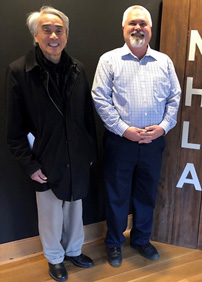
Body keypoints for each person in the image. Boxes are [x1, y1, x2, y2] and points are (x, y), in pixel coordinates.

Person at [6, 6, 98, 282]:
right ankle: (55, 259)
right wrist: (29, 165)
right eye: (47, 30)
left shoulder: (78, 68)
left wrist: (90, 153)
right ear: (36, 35)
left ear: (66, 36)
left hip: (77, 156)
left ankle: (73, 250)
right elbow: (14, 128)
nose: (53, 35)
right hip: (45, 159)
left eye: (59, 30)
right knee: (50, 216)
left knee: (74, 209)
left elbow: (86, 117)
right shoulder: (19, 71)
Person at [92, 5, 181, 267]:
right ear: (123, 28)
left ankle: (141, 239)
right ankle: (114, 243)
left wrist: (163, 127)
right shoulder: (109, 60)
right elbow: (99, 98)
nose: (138, 28)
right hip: (120, 142)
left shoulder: (164, 62)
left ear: (150, 29)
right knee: (116, 195)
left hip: (154, 142)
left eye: (143, 23)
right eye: (132, 23)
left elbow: (174, 98)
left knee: (146, 194)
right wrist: (124, 130)